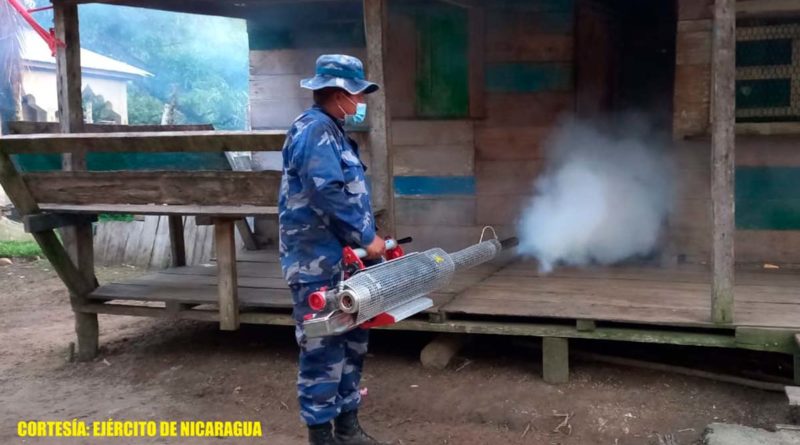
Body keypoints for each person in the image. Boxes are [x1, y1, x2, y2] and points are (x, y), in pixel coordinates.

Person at [278, 54, 387, 445]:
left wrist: (366, 240)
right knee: (322, 348)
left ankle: (347, 428)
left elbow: (347, 193)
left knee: (352, 339)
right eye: (356, 95)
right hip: (315, 262)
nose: (359, 104)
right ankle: (321, 435)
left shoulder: (335, 130)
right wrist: (365, 236)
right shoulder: (313, 132)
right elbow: (327, 192)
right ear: (339, 93)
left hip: (343, 261)